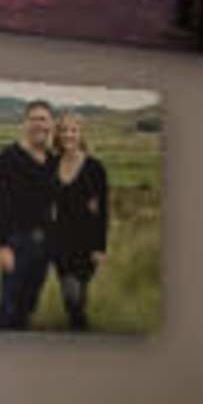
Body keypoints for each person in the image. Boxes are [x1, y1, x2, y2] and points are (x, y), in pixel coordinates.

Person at [0, 100, 60, 331]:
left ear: (51, 125)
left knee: (28, 305)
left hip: (45, 244)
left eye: (44, 119)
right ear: (25, 124)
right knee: (8, 308)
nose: (39, 124)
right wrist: (3, 246)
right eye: (34, 119)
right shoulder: (7, 158)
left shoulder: (52, 161)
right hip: (17, 243)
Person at [49, 112, 112, 331]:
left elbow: (103, 211)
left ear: (81, 134)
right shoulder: (51, 164)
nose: (69, 135)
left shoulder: (95, 168)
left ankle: (79, 331)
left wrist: (100, 247)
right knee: (71, 298)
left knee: (75, 295)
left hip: (86, 244)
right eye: (64, 130)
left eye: (73, 130)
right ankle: (79, 332)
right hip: (59, 243)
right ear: (58, 134)